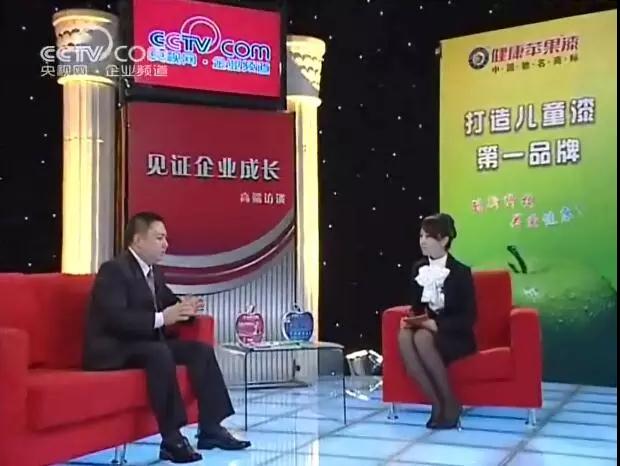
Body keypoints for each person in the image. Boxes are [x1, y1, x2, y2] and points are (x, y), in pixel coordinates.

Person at [83, 212, 251, 463]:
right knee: (159, 352)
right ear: (138, 240)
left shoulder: (154, 273)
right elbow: (115, 319)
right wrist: (163, 318)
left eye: (166, 238)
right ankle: (172, 438)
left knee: (200, 351)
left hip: (143, 344)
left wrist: (187, 309)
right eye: (159, 238)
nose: (166, 244)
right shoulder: (114, 271)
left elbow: (169, 303)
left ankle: (211, 428)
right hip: (114, 347)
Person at [397, 213, 477, 430]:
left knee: (422, 338)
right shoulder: (418, 268)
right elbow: (416, 306)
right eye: (421, 236)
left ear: (444, 240)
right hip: (426, 326)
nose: (422, 241)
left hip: (454, 336)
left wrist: (437, 325)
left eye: (429, 237)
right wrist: (413, 319)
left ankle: (450, 403)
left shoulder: (460, 272)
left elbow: (469, 318)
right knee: (404, 335)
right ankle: (437, 404)